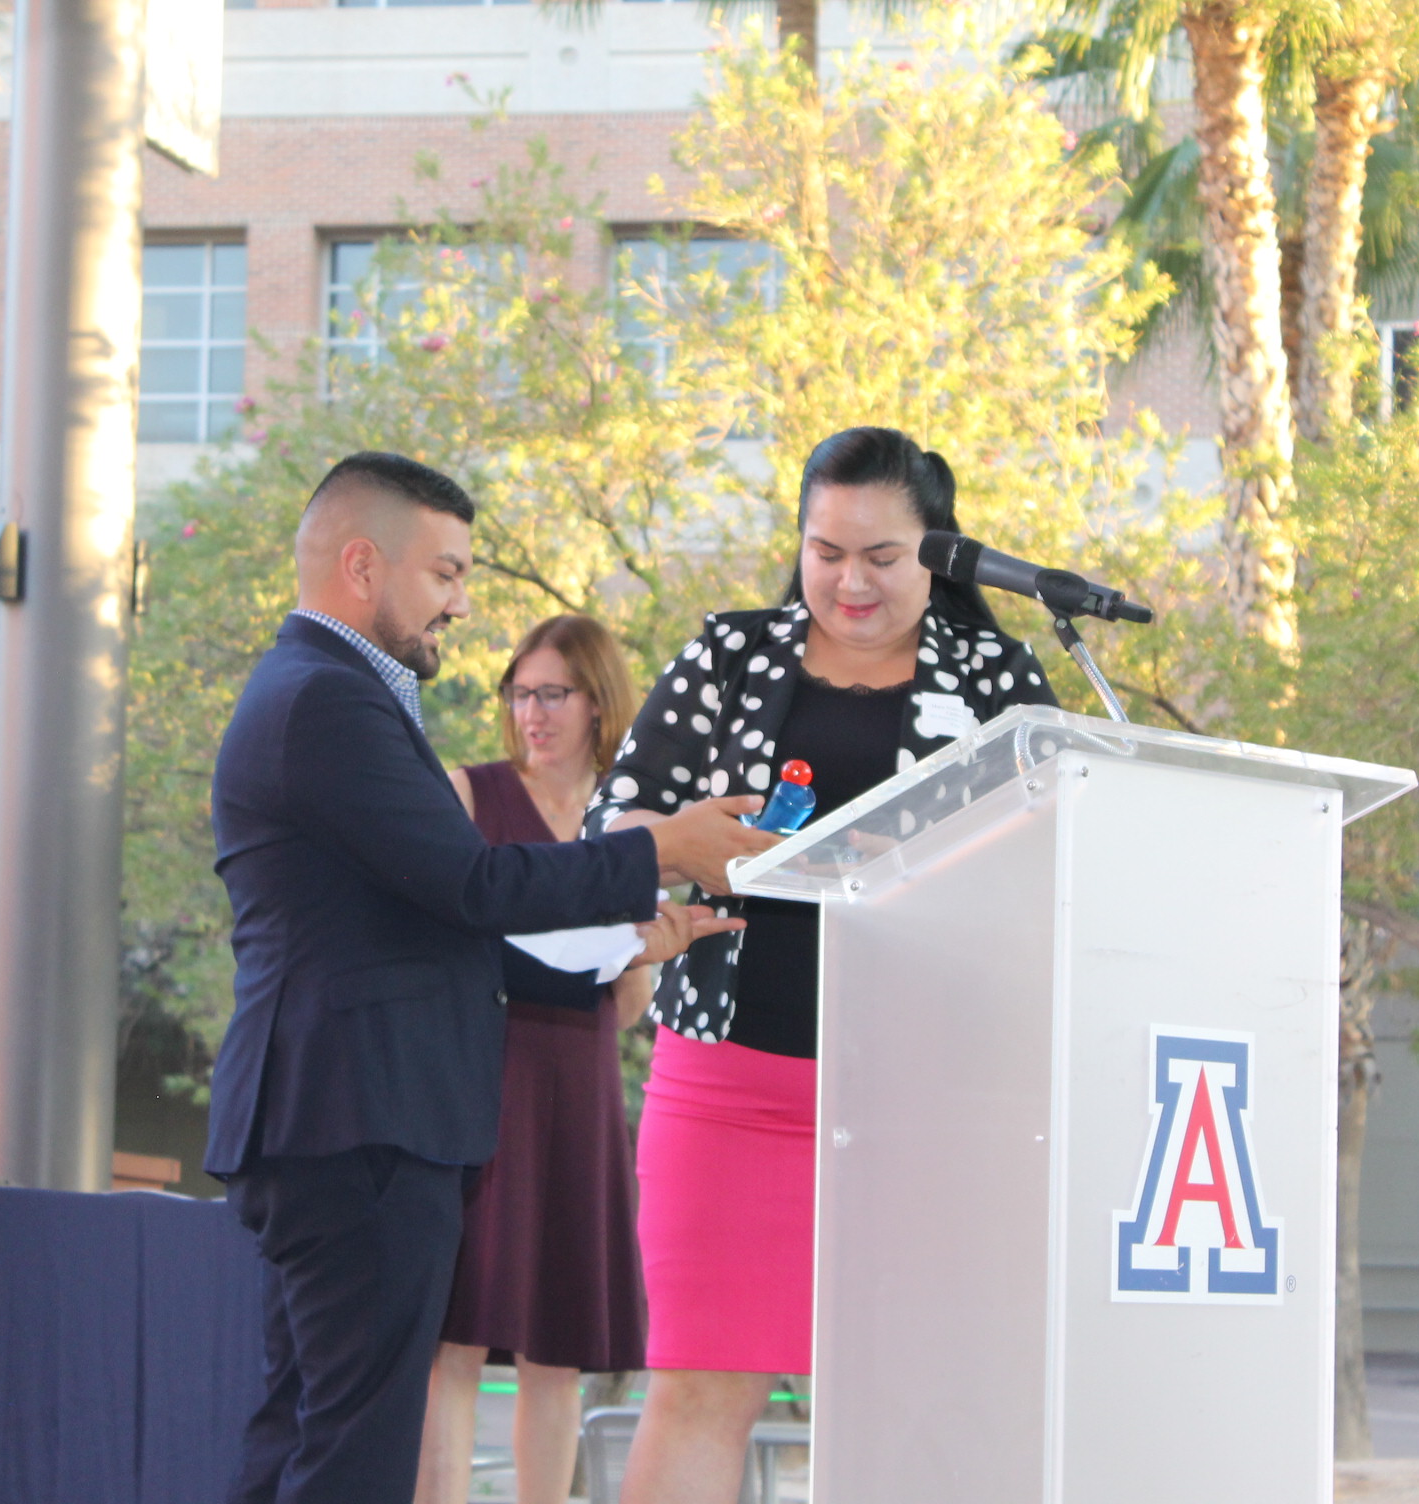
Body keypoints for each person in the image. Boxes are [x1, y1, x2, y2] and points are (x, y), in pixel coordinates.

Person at [204, 451, 781, 1504]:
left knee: (307, 1433)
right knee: (350, 1450)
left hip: (341, 1118)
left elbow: (423, 921)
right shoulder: (326, 701)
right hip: (357, 1121)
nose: (462, 604)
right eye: (447, 574)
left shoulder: (323, 693)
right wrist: (664, 847)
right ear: (364, 564)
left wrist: (633, 939)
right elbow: (469, 883)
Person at [585, 427, 1063, 1502]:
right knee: (701, 1389)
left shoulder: (998, 678)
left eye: (882, 557)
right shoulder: (729, 654)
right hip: (729, 1089)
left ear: (937, 553)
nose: (849, 580)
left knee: (921, 1399)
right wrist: (677, 846)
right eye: (825, 550)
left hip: (929, 1101)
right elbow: (612, 814)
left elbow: (1055, 855)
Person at [413, 614, 654, 1504]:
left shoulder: (627, 821)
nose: (532, 713)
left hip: (582, 1083)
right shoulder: (468, 795)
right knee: (459, 1330)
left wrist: (646, 951)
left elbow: (625, 1010)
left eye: (553, 693)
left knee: (559, 1337)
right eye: (520, 693)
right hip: (486, 1071)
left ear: (598, 701)